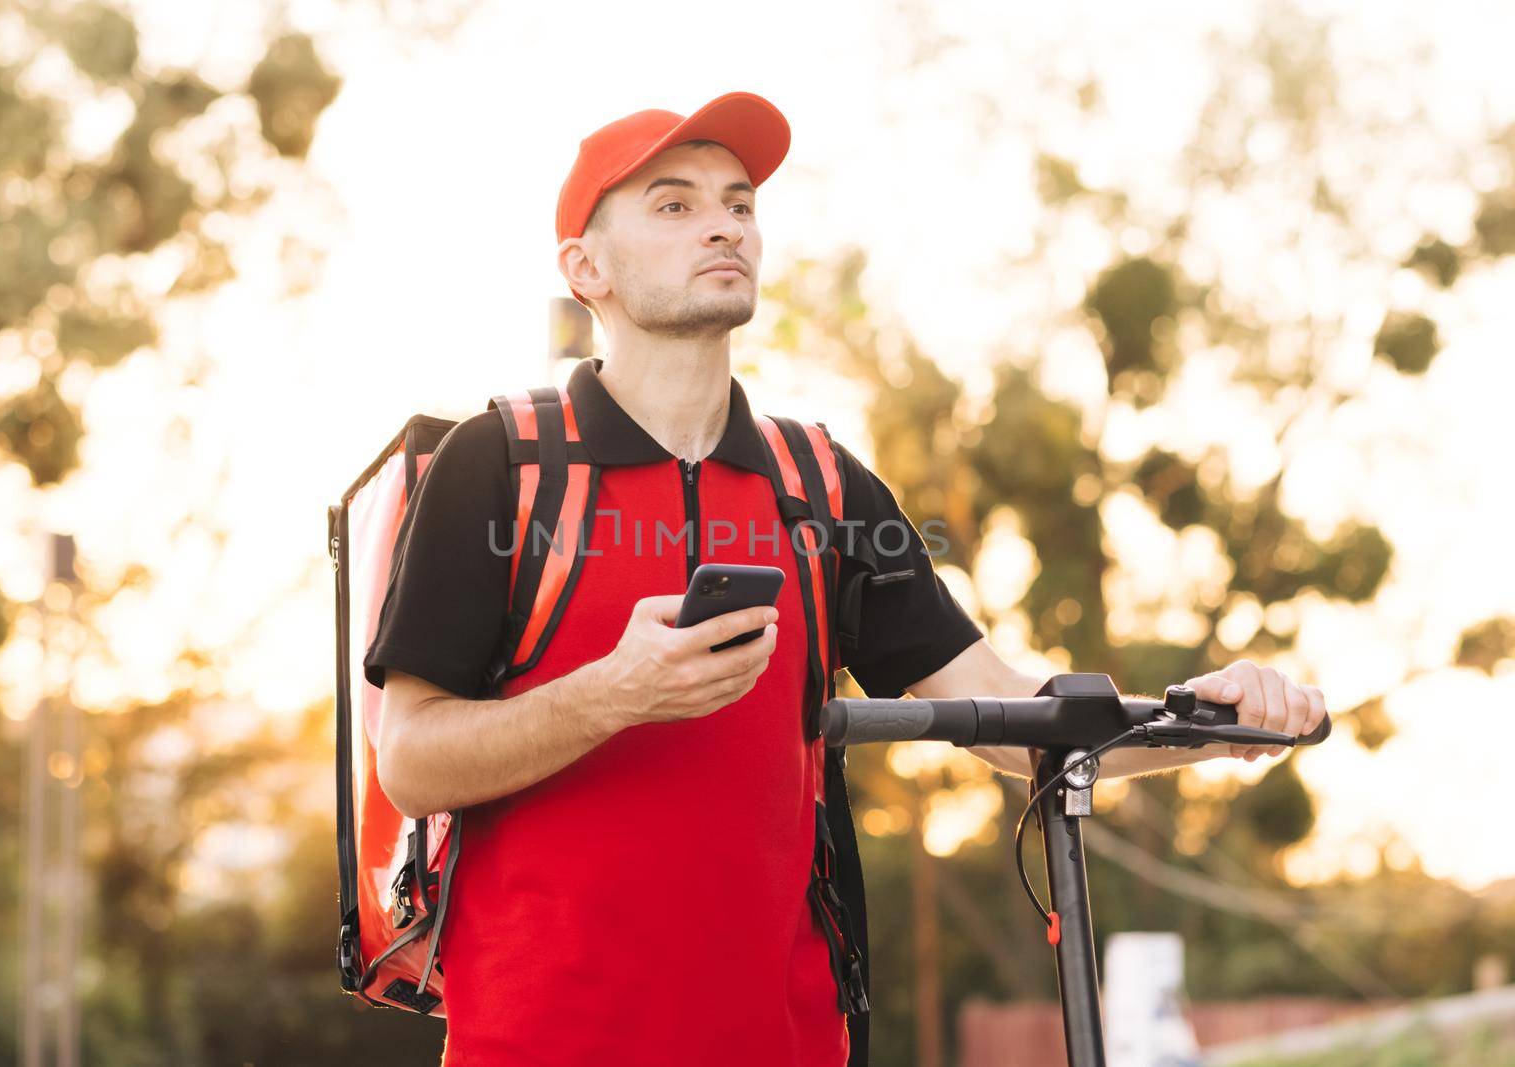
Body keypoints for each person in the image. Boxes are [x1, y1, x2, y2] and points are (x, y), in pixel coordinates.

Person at [363, 90, 1327, 1067]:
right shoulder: (501, 463)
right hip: (541, 1046)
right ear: (585, 267)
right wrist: (614, 693)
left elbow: (1008, 714)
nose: (723, 225)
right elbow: (411, 756)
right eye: (673, 203)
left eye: (739, 203)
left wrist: (1199, 721)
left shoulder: (820, 486)